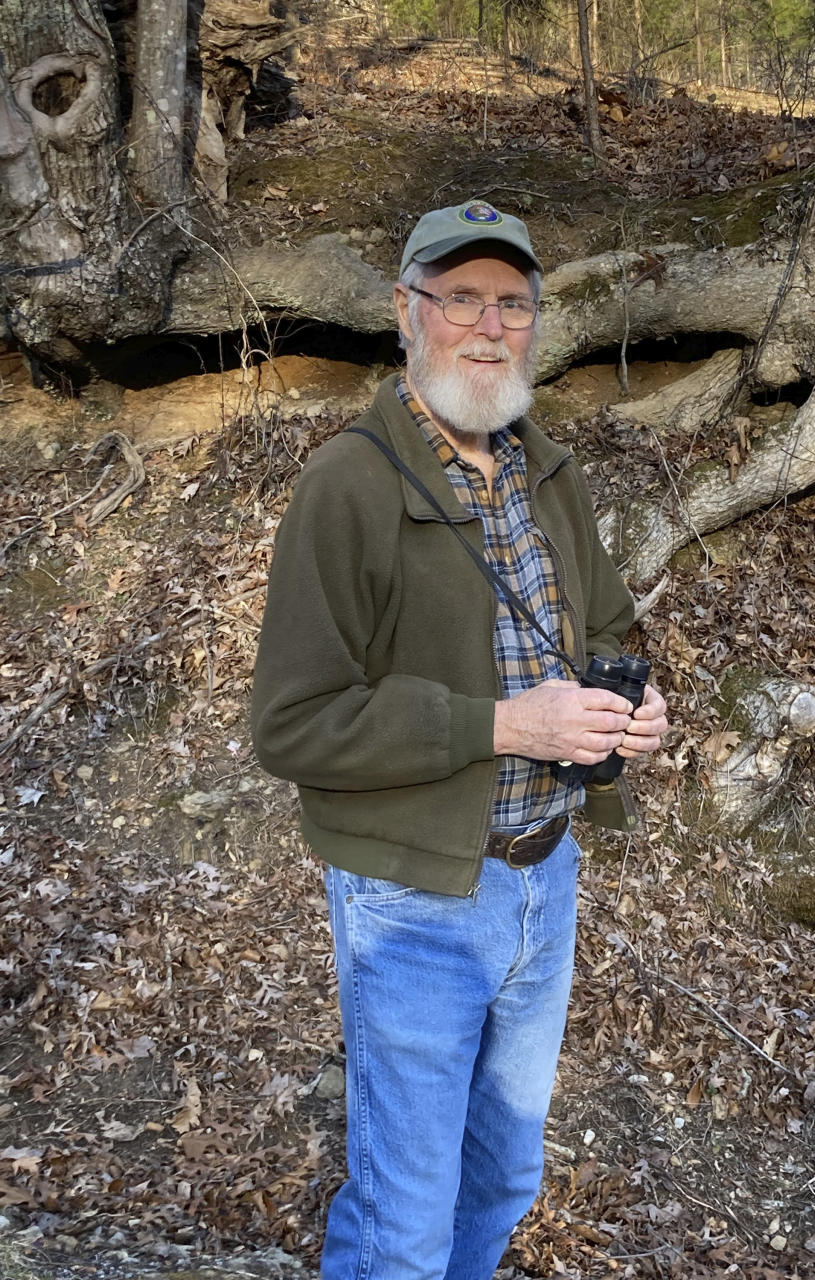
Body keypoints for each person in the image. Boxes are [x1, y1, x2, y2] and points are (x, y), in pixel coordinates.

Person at [251, 199, 669, 1280]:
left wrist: (637, 700)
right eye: (462, 300)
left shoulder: (549, 471)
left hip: (545, 883)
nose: (490, 328)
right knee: (405, 1212)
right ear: (407, 311)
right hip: (414, 908)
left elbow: (611, 624)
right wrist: (504, 723)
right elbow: (292, 723)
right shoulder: (346, 485)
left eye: (514, 304)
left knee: (500, 1181)